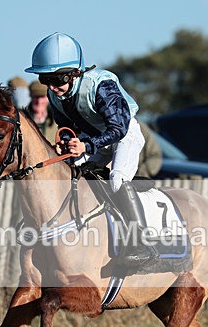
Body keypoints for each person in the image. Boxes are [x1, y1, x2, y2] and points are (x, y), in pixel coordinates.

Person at [25, 32, 153, 265]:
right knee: (71, 172)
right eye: (46, 80)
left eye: (57, 80)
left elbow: (119, 128)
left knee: (116, 179)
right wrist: (65, 141)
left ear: (74, 74)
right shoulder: (56, 96)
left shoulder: (101, 85)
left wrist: (85, 144)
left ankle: (141, 243)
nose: (52, 88)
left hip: (124, 135)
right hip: (95, 139)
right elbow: (65, 126)